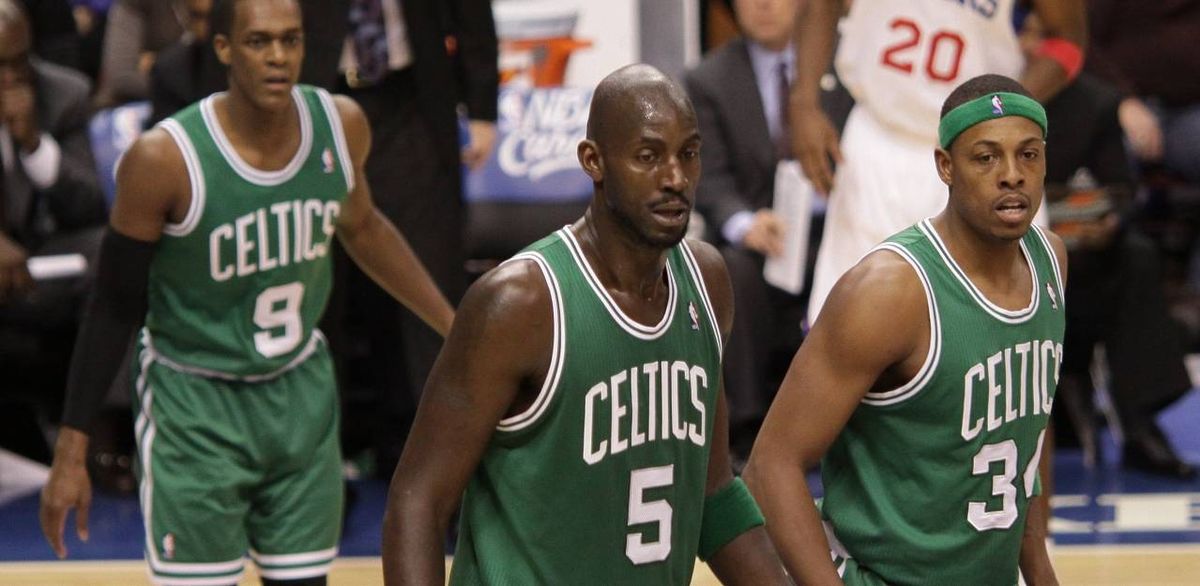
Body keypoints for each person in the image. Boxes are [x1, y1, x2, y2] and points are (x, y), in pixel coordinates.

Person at [38, 1, 454, 584]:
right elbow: (113, 304)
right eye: (259, 42)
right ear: (225, 48)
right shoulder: (164, 160)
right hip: (196, 404)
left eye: (291, 40)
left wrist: (454, 328)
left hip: (298, 395)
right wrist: (71, 450)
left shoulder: (340, 125)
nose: (278, 57)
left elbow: (363, 228)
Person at [381, 64, 789, 586]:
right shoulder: (521, 303)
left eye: (688, 153)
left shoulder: (707, 283)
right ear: (593, 161)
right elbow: (417, 503)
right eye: (648, 156)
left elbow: (713, 494)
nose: (675, 178)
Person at [746, 74, 1067, 585]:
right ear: (946, 166)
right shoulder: (889, 291)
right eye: (986, 157)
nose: (1012, 175)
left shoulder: (1050, 261)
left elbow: (1020, 449)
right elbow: (771, 466)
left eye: (1028, 155)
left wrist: (1041, 575)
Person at [791, 0, 1086, 323]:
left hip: (980, 152)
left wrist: (1003, 108)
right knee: (849, 324)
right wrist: (804, 101)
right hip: (877, 138)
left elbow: (1068, 42)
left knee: (996, 327)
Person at [319, 0, 498, 479]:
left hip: (415, 97)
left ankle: (452, 471)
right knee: (320, 294)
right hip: (317, 96)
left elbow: (472, 12)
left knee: (433, 286)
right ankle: (318, 464)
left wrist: (482, 105)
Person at [684, 0, 810, 463]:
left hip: (834, 224)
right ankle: (747, 437)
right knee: (730, 267)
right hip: (758, 234)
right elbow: (707, 176)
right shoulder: (707, 79)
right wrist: (744, 222)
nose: (763, 4)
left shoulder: (842, 66)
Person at [0, 0, 105, 459]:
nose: (9, 78)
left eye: (19, 62)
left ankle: (99, 436)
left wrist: (33, 144)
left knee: (110, 249)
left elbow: (90, 207)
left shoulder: (63, 94)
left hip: (35, 268)